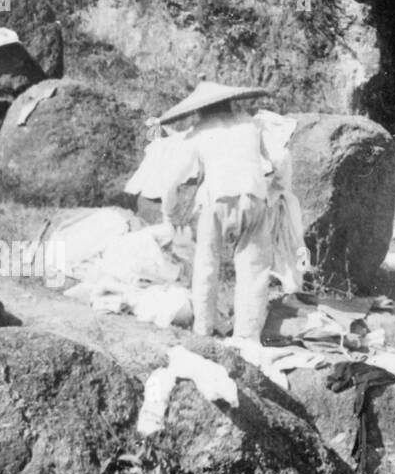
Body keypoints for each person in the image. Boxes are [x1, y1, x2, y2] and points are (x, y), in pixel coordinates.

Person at [127, 82, 305, 342]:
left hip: (216, 200)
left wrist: (170, 214)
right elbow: (281, 159)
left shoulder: (198, 132)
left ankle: (203, 330)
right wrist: (276, 190)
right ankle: (247, 337)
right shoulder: (249, 124)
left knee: (206, 265)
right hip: (254, 197)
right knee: (254, 271)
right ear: (230, 102)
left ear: (200, 110)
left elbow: (170, 181)